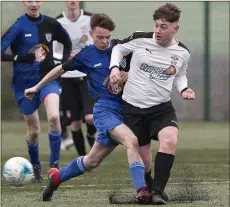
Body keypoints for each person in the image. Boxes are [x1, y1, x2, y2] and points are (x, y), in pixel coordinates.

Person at [24, 13, 151, 204]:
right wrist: (37, 87)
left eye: (108, 37)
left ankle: (56, 178)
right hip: (106, 110)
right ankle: (143, 191)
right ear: (91, 34)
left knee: (92, 161)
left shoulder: (121, 49)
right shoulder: (87, 55)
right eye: (100, 37)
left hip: (129, 110)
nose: (105, 41)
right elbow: (60, 69)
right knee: (132, 141)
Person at [109, 3, 196, 205]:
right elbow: (118, 49)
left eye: (164, 26)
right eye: (156, 25)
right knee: (145, 161)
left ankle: (157, 192)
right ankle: (148, 189)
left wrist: (184, 89)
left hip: (161, 108)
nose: (158, 30)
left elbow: (181, 76)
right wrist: (114, 68)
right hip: (133, 109)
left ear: (176, 28)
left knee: (170, 139)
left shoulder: (182, 52)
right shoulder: (140, 39)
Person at [1, 1, 72, 182]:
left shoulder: (51, 24)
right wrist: (18, 57)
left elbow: (67, 42)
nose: (34, 4)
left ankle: (54, 166)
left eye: (37, 0)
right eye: (29, 0)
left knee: (54, 117)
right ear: (24, 3)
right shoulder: (18, 26)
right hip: (24, 84)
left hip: (48, 80)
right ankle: (35, 168)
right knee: (33, 130)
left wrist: (62, 65)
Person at [53, 1, 97, 154]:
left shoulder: (92, 19)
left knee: (91, 117)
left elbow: (99, 43)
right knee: (75, 124)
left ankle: (91, 133)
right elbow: (55, 52)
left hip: (87, 76)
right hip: (68, 78)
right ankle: (83, 159)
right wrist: (66, 56)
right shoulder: (57, 23)